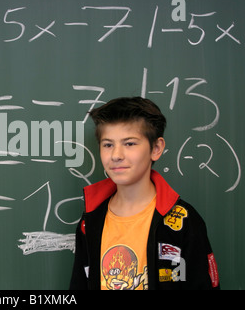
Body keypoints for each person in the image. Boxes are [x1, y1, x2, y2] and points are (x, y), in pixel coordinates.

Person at [70, 97, 220, 290]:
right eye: (108, 144)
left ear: (156, 149)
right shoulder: (89, 220)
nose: (116, 155)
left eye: (129, 144)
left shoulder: (184, 221)